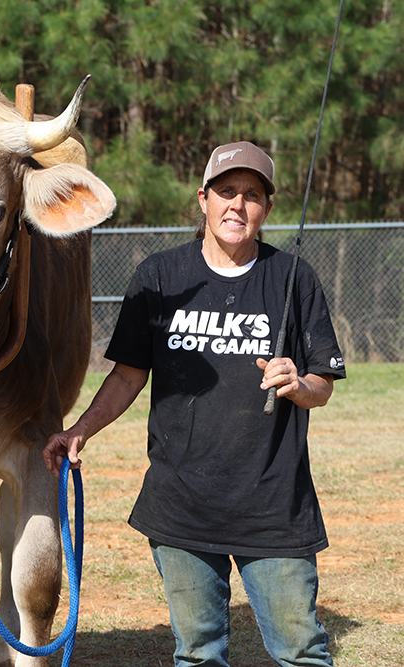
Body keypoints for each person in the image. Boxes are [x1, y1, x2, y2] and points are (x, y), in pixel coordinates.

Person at [43, 141, 345, 667]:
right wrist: (80, 430)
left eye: (252, 195)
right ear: (202, 199)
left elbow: (323, 384)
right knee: (198, 654)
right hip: (182, 503)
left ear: (267, 209)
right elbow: (129, 373)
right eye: (226, 191)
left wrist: (298, 385)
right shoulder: (159, 278)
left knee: (301, 652)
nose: (238, 205)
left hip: (274, 506)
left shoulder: (295, 280)